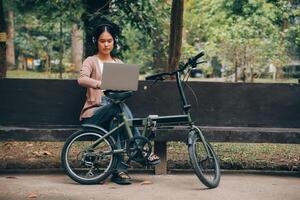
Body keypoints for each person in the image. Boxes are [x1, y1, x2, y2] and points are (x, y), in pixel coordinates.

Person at [77, 24, 160, 185]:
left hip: (114, 113)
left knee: (118, 119)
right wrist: (101, 83)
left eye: (109, 41)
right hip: (94, 114)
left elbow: (125, 87)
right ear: (96, 42)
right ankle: (138, 150)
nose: (106, 44)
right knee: (117, 108)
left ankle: (119, 172)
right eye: (102, 41)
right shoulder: (91, 61)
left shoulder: (118, 62)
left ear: (114, 41)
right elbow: (82, 79)